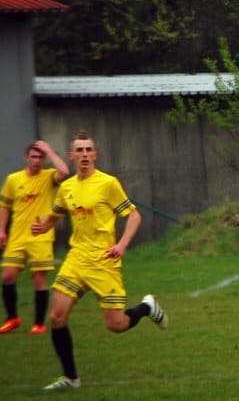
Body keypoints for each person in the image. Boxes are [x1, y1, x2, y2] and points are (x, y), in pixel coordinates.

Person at [31, 131, 168, 390]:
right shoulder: (67, 187)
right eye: (79, 150)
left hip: (104, 261)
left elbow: (134, 216)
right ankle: (71, 379)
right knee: (57, 317)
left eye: (88, 150)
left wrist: (121, 245)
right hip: (76, 259)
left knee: (116, 325)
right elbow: (56, 214)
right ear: (71, 156)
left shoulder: (108, 183)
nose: (84, 154)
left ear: (95, 154)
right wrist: (43, 226)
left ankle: (146, 308)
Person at [0, 140, 70, 335]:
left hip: (40, 235)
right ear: (26, 158)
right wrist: (2, 230)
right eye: (34, 157)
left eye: (40, 157)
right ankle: (12, 318)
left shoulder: (48, 177)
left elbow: (64, 172)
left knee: (38, 278)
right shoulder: (13, 179)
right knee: (7, 276)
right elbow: (4, 206)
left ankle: (38, 324)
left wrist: (50, 151)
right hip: (17, 236)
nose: (37, 161)